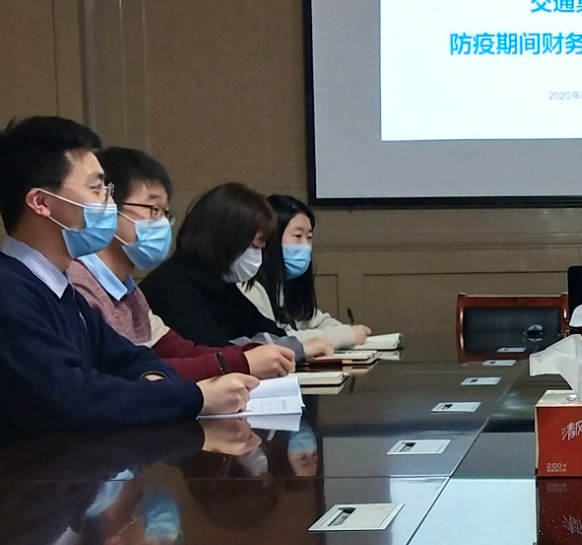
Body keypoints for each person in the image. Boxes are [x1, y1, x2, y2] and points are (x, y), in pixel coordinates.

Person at [0, 117, 255, 472]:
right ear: (41, 202)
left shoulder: (56, 286)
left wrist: (154, 386)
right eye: (96, 189)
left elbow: (133, 359)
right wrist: (195, 396)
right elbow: (72, 400)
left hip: (49, 476)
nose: (108, 202)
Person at [68, 148, 295, 382]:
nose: (162, 224)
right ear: (106, 206)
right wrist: (240, 362)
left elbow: (179, 350)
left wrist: (251, 355)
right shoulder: (78, 286)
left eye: (165, 213)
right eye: (153, 209)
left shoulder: (129, 291)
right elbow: (125, 373)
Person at [141, 182, 329, 357]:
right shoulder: (169, 286)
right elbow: (209, 355)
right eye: (254, 246)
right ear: (226, 237)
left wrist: (292, 347)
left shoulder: (221, 285)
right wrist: (292, 349)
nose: (258, 256)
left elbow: (268, 331)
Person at [244, 195, 370, 354]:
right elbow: (276, 340)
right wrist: (343, 335)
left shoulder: (285, 283)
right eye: (298, 236)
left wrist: (346, 332)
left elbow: (313, 319)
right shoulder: (249, 287)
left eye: (309, 237)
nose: (306, 246)